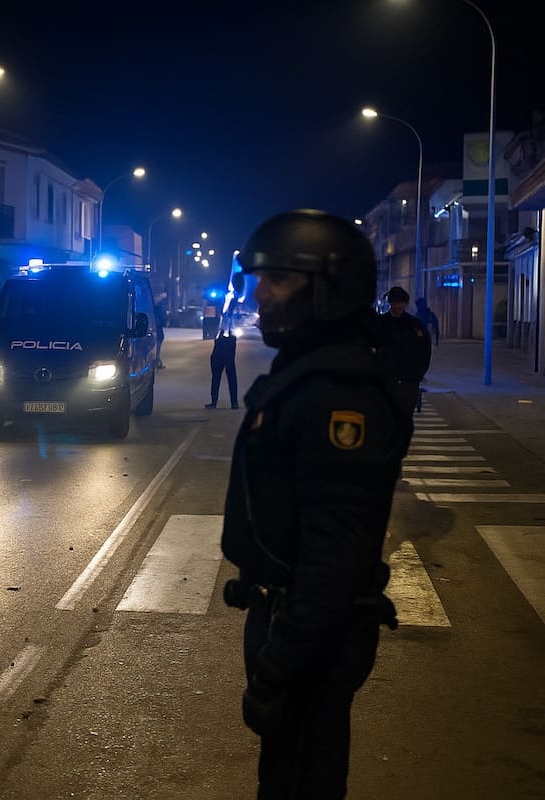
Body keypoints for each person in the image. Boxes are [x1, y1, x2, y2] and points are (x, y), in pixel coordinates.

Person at [220, 209, 407, 799]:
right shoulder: (308, 372)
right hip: (288, 622)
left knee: (304, 782)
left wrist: (281, 665)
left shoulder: (339, 396)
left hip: (311, 643)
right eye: (260, 279)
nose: (262, 294)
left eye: (279, 280)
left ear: (327, 289)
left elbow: (334, 555)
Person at [377, 285, 432, 421]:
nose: (399, 306)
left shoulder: (414, 324)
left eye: (401, 303)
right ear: (390, 303)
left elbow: (425, 349)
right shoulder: (380, 324)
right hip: (387, 380)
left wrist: (419, 373)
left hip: (410, 380)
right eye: (395, 303)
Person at [205, 328, 238, 409]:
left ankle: (214, 402)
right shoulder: (231, 341)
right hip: (228, 356)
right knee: (231, 378)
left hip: (218, 356)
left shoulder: (218, 341)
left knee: (216, 379)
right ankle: (234, 403)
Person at [154, 294, 168, 368]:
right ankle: (156, 360)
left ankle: (157, 359)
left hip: (157, 327)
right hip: (156, 327)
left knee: (158, 342)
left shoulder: (157, 307)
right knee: (157, 343)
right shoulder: (156, 308)